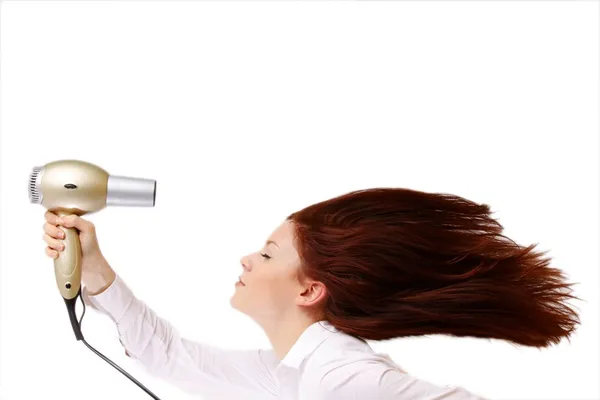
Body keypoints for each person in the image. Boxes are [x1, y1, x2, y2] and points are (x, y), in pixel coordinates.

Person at [41, 187, 581, 399]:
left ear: (310, 291)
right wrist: (95, 271)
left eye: (270, 253)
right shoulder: (300, 369)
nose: (247, 259)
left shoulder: (344, 378)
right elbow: (173, 358)